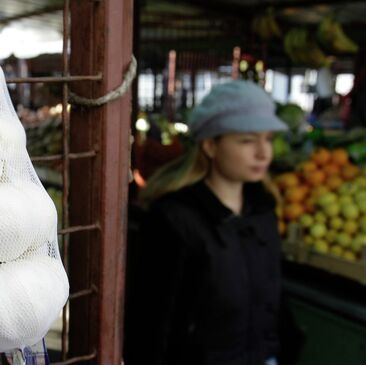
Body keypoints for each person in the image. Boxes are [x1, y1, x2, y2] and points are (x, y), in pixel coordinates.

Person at [124, 80, 295, 365]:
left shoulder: (263, 211)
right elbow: (152, 324)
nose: (263, 153)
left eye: (267, 139)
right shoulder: (174, 220)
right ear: (211, 145)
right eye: (247, 141)